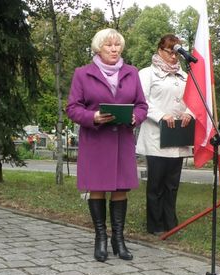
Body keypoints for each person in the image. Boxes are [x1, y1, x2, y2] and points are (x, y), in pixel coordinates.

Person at [66, 28, 148, 262]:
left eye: (117, 45)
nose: (114, 49)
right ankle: (100, 238)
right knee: (98, 188)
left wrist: (135, 117)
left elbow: (142, 105)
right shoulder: (82, 74)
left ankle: (118, 239)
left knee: (121, 189)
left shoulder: (132, 73)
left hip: (122, 140)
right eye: (108, 45)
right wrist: (92, 117)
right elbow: (73, 107)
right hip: (96, 140)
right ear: (98, 49)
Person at [136, 34, 193, 236]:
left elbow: (194, 101)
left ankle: (171, 221)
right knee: (156, 183)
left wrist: (189, 113)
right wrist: (161, 115)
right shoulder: (146, 74)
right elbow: (142, 101)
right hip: (156, 135)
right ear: (160, 50)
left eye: (176, 52)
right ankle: (154, 223)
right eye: (170, 52)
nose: (173, 57)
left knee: (172, 183)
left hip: (177, 136)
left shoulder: (186, 76)